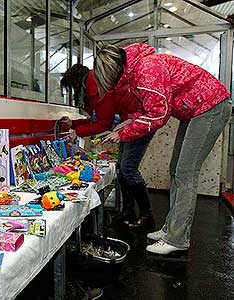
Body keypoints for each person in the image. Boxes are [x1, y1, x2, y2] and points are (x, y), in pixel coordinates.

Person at [93, 43, 232, 256]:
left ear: (113, 71)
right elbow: (148, 108)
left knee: (185, 173)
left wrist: (121, 134)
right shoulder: (137, 69)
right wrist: (128, 123)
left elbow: (158, 115)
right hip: (195, 109)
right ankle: (170, 230)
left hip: (210, 106)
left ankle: (177, 239)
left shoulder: (146, 69)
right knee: (176, 169)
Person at [61, 63, 155, 229]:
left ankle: (146, 215)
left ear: (77, 84)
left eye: (72, 88)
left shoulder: (96, 87)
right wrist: (74, 124)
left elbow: (104, 123)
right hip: (131, 119)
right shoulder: (94, 84)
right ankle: (128, 211)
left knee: (128, 168)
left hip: (138, 120)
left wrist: (77, 132)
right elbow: (97, 118)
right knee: (122, 167)